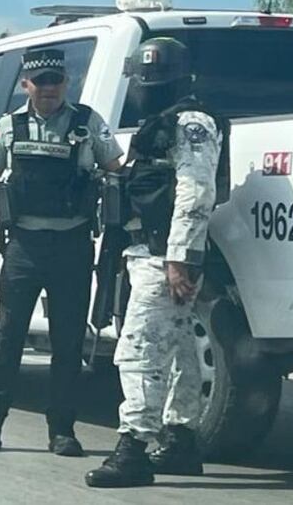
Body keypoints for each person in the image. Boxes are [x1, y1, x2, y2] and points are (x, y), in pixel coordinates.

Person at [0, 49, 123, 457]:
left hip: (72, 246)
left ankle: (62, 431)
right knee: (7, 338)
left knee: (68, 343)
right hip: (24, 247)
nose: (49, 88)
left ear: (66, 82)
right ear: (26, 85)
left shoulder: (88, 123)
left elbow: (117, 169)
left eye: (56, 80)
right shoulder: (9, 126)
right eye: (41, 81)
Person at [86, 38, 222, 488]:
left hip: (164, 255)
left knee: (139, 351)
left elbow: (196, 192)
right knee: (180, 348)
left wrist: (180, 257)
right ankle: (180, 439)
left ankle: (134, 449)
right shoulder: (163, 123)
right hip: (150, 252)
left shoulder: (191, 123)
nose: (147, 88)